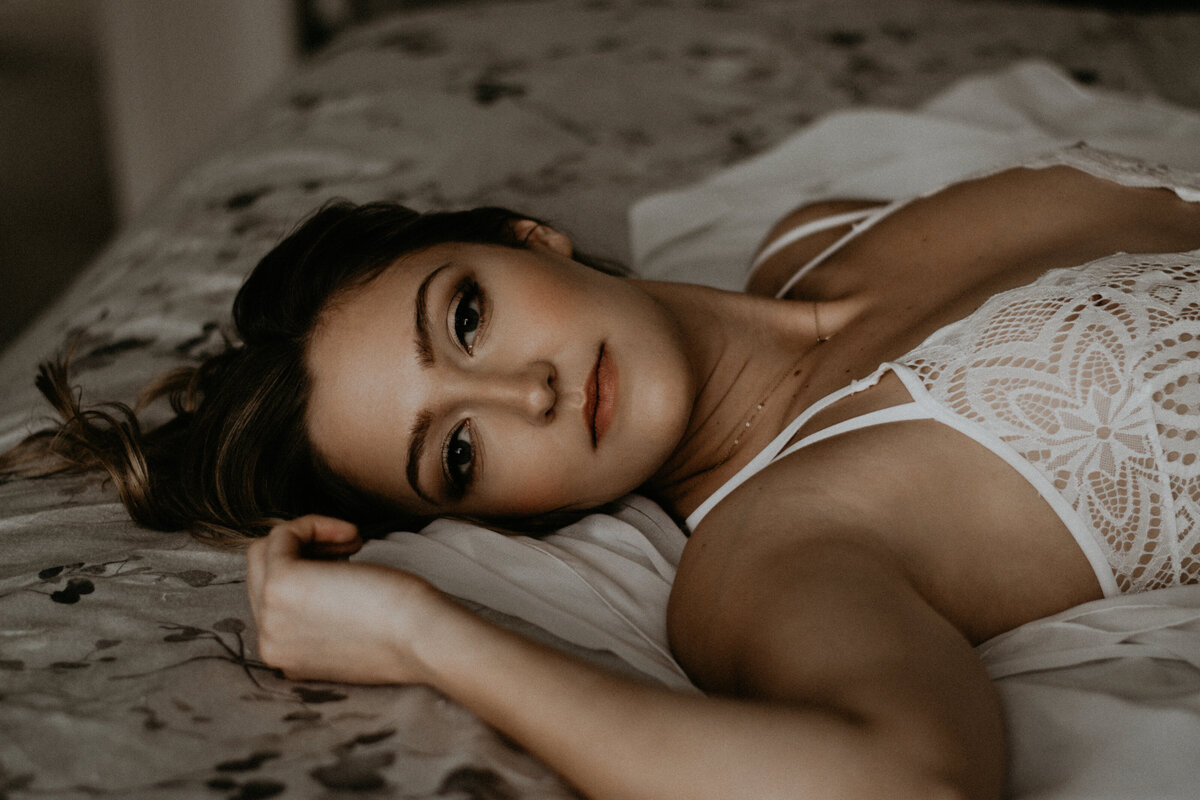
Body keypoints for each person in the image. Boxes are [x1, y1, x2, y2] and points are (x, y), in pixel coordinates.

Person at [4, 144, 1200, 799]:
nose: (524, 393)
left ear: (530, 235)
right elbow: (905, 779)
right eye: (459, 454)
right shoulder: (773, 552)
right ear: (501, 520)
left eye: (465, 317)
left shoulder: (819, 226)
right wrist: (428, 637)